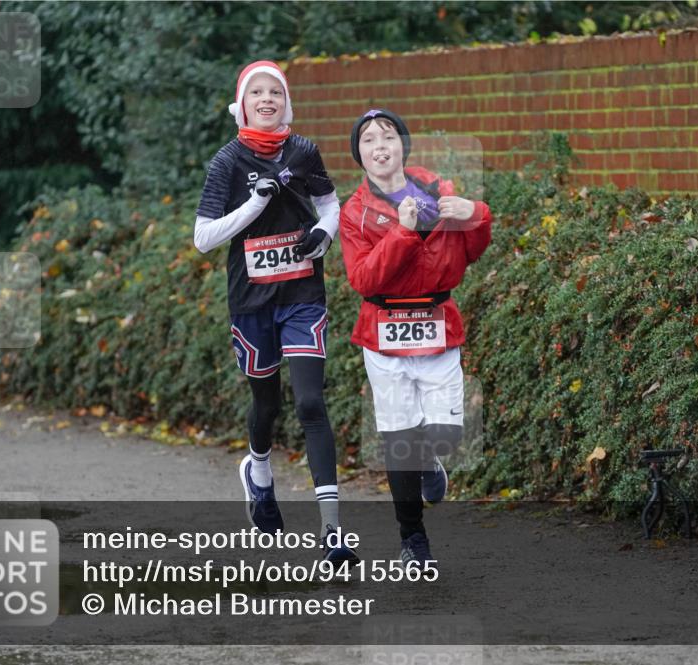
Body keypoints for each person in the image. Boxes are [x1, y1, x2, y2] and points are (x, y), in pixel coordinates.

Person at [193, 61, 357, 565]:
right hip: (252, 303)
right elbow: (203, 239)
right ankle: (258, 470)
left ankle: (332, 534)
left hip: (302, 295)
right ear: (241, 104)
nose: (267, 99)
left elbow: (332, 205)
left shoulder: (304, 151)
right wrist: (252, 207)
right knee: (267, 405)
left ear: (286, 102)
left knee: (310, 402)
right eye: (257, 92)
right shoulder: (227, 162)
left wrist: (323, 235)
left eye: (276, 92)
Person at [339, 109, 493, 567]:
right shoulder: (355, 213)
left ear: (403, 146)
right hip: (384, 337)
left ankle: (431, 461)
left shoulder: (439, 189)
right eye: (368, 140)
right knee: (398, 440)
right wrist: (403, 233)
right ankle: (413, 540)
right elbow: (364, 279)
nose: (379, 145)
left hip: (437, 326)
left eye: (387, 136)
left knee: (445, 434)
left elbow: (472, 250)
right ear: (360, 155)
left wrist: (477, 215)